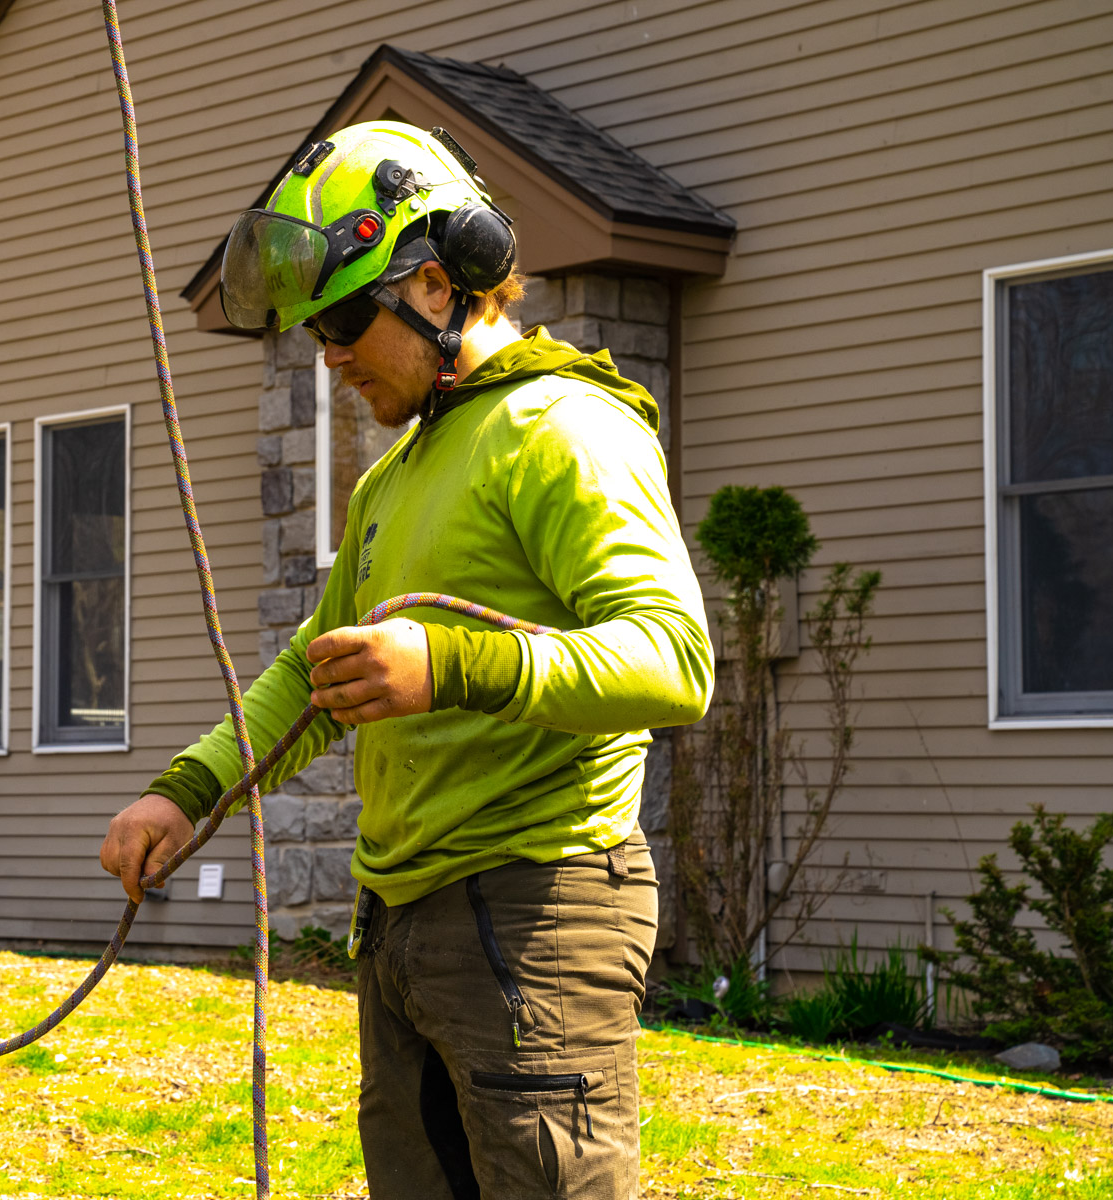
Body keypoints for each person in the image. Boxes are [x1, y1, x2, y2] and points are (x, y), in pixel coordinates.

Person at [98, 120, 713, 1199]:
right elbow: (312, 674)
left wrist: (450, 665)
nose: (325, 353)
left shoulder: (561, 427)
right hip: (401, 927)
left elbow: (672, 659)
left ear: (436, 286)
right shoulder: (393, 478)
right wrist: (186, 791)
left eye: (341, 318)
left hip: (537, 916)